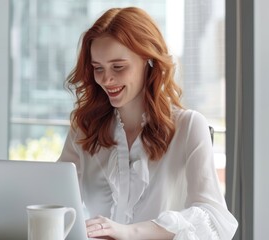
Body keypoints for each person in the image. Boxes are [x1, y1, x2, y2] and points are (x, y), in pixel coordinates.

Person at [57, 6, 238, 240]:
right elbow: (56, 200)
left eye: (118, 67)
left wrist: (128, 232)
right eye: (97, 68)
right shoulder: (84, 128)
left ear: (148, 61)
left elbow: (214, 218)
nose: (106, 79)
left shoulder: (189, 126)